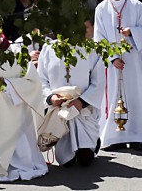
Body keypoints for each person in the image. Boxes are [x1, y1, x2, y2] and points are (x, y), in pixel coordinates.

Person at [0, 18, 49, 182]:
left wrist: (5, 83)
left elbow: (33, 83)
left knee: (16, 150)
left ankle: (10, 164)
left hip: (12, 112)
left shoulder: (15, 53)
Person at [93, 0, 142, 151]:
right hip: (113, 63)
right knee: (113, 95)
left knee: (134, 95)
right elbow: (99, 37)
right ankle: (114, 137)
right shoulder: (102, 9)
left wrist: (132, 31)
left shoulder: (135, 5)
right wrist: (112, 58)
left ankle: (135, 136)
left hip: (132, 60)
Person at [37, 20, 106, 167]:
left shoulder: (91, 49)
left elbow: (98, 82)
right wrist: (51, 97)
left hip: (82, 110)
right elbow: (41, 79)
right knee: (66, 162)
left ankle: (92, 143)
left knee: (85, 159)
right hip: (60, 112)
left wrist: (82, 102)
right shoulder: (49, 48)